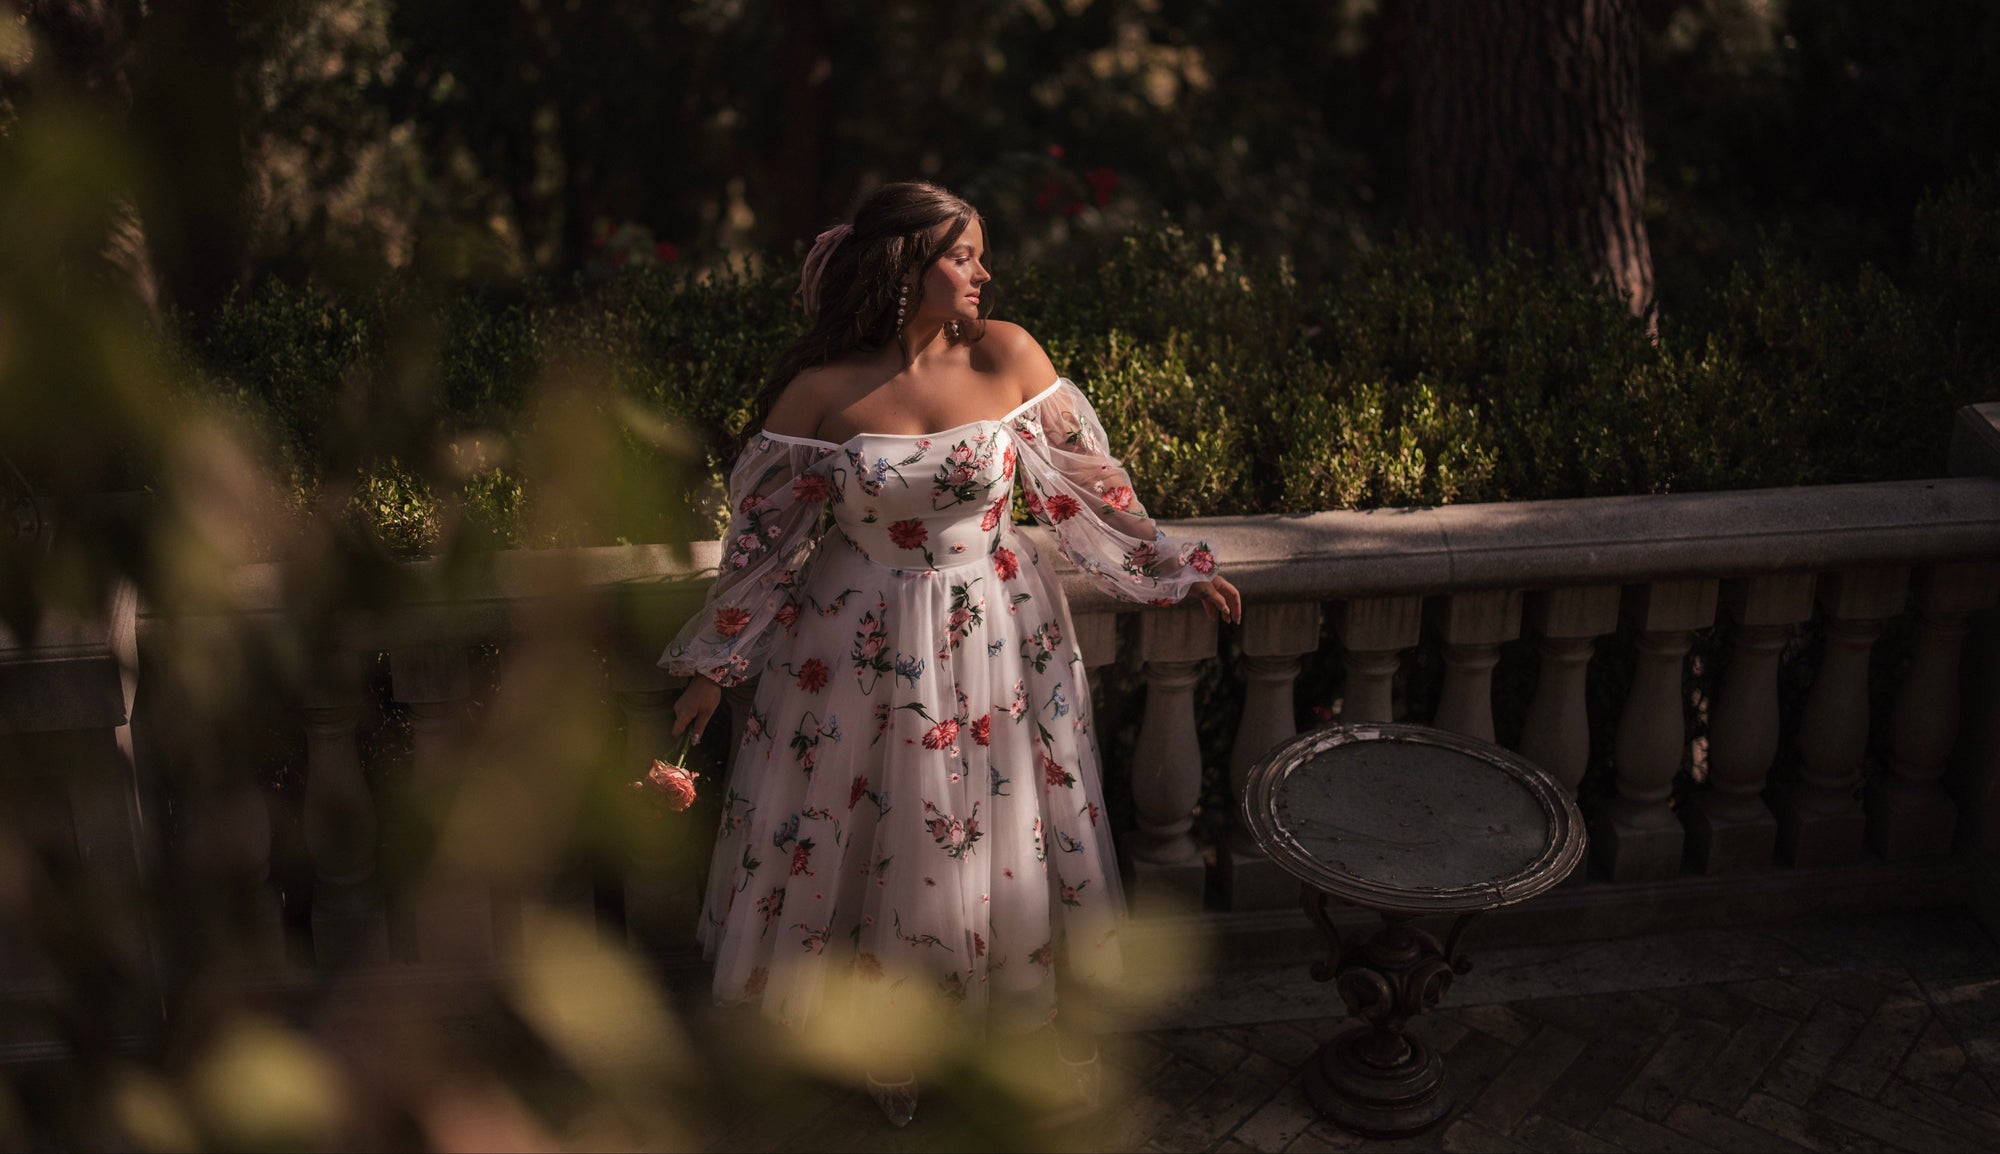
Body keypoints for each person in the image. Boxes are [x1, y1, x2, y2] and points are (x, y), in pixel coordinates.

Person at [660, 181, 1241, 1126]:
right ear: (903, 264)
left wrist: (1172, 564)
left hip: (999, 632)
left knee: (994, 827)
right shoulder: (821, 390)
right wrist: (712, 672)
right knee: (872, 834)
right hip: (854, 646)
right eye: (963, 254)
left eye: (980, 254)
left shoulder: (1008, 354)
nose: (983, 272)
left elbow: (1084, 489)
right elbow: (763, 547)